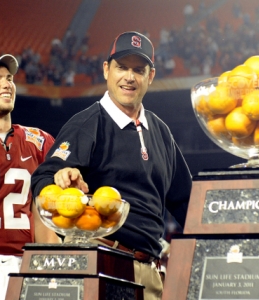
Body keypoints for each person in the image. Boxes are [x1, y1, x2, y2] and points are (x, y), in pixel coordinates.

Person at [31, 31, 192, 300]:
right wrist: (59, 178)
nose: (129, 76)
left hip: (150, 273)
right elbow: (43, 177)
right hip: (99, 263)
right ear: (107, 70)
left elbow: (186, 201)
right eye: (122, 67)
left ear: (150, 77)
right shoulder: (87, 123)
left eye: (139, 70)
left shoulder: (160, 131)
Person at [0, 54, 61, 300]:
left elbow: (45, 213)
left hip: (26, 262)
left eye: (9, 78)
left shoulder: (39, 141)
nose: (6, 84)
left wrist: (50, 266)